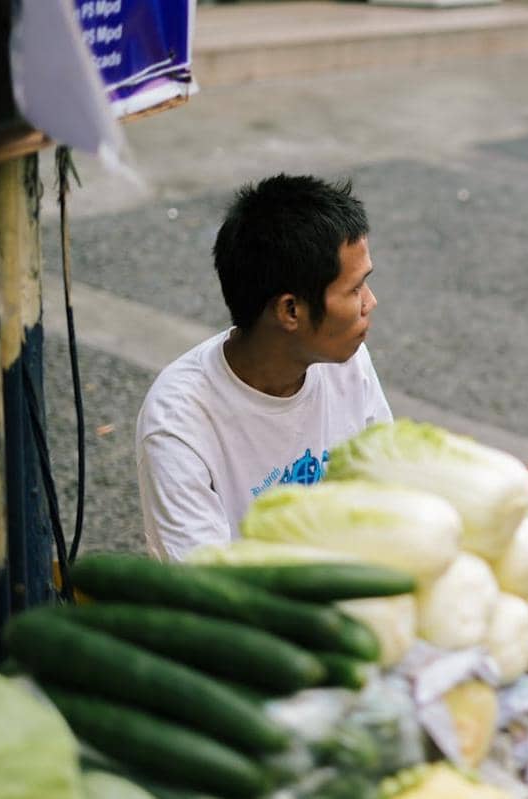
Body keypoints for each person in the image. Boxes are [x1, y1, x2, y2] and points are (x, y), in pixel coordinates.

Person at [136, 175, 392, 561]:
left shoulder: (346, 359)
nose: (370, 302)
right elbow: (211, 589)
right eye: (355, 289)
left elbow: (391, 491)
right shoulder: (178, 423)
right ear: (290, 310)